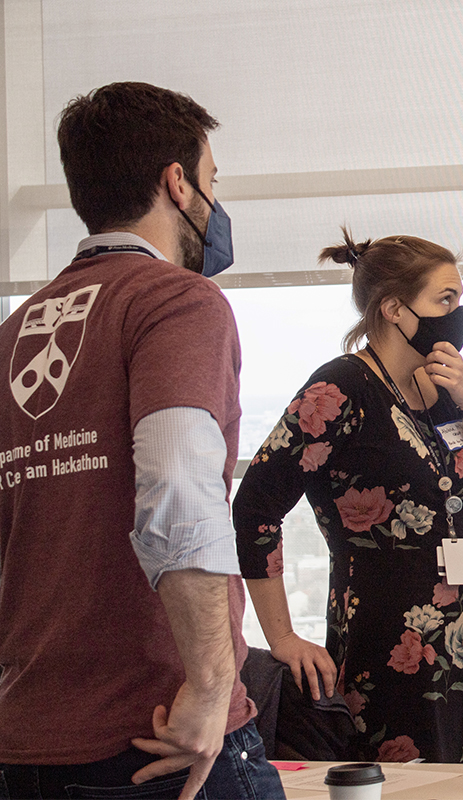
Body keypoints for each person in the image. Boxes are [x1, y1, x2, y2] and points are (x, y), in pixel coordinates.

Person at [0, 83, 283, 799]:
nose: (215, 208)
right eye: (212, 182)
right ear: (176, 183)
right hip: (158, 736)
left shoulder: (12, 335)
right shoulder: (174, 300)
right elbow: (178, 482)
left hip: (29, 740)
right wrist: (215, 683)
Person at [233, 229, 463, 764]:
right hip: (388, 640)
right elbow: (254, 506)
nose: (457, 315)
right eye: (445, 300)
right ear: (393, 308)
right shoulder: (340, 389)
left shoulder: (437, 391)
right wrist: (282, 636)